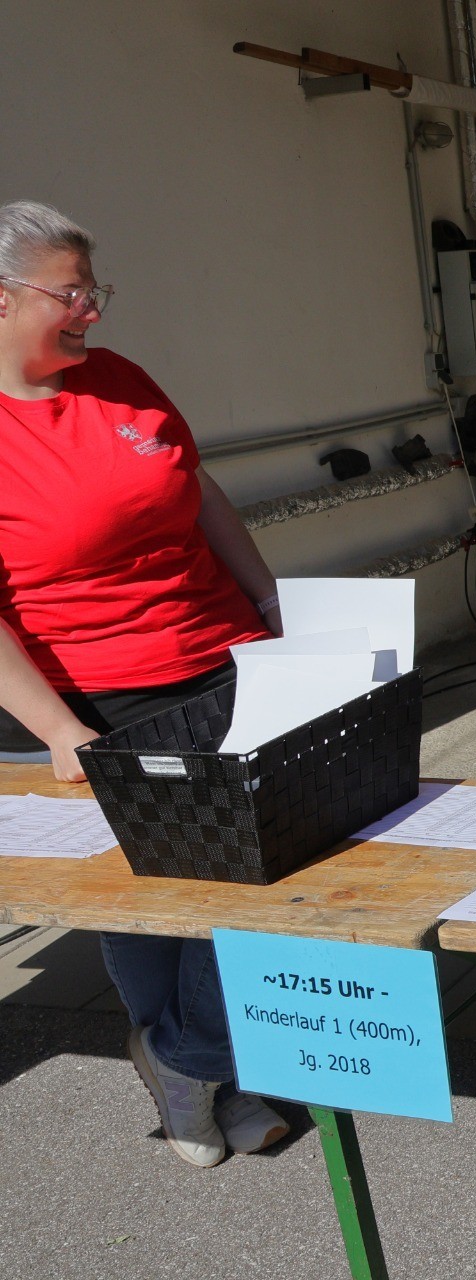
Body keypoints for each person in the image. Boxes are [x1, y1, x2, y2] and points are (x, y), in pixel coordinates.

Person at [0, 201, 293, 1167]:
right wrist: (54, 728)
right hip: (99, 703)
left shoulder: (117, 379)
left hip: (220, 662)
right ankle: (206, 1068)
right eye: (70, 292)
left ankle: (187, 1057)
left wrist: (262, 592)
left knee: (244, 892)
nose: (91, 310)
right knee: (151, 909)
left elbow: (194, 487)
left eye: (96, 288)